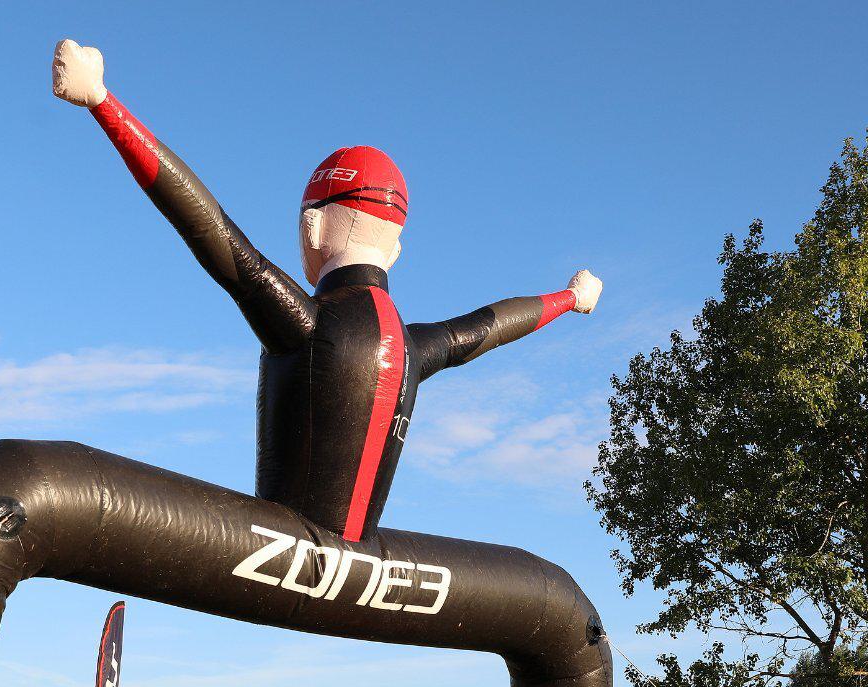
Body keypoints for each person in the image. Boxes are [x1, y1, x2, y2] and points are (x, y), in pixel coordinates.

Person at [52, 38, 601, 544]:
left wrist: (103, 102)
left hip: (273, 541)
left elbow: (211, 231)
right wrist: (567, 299)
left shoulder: (312, 325)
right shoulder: (412, 348)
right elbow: (490, 326)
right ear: (397, 250)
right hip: (362, 554)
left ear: (313, 228)